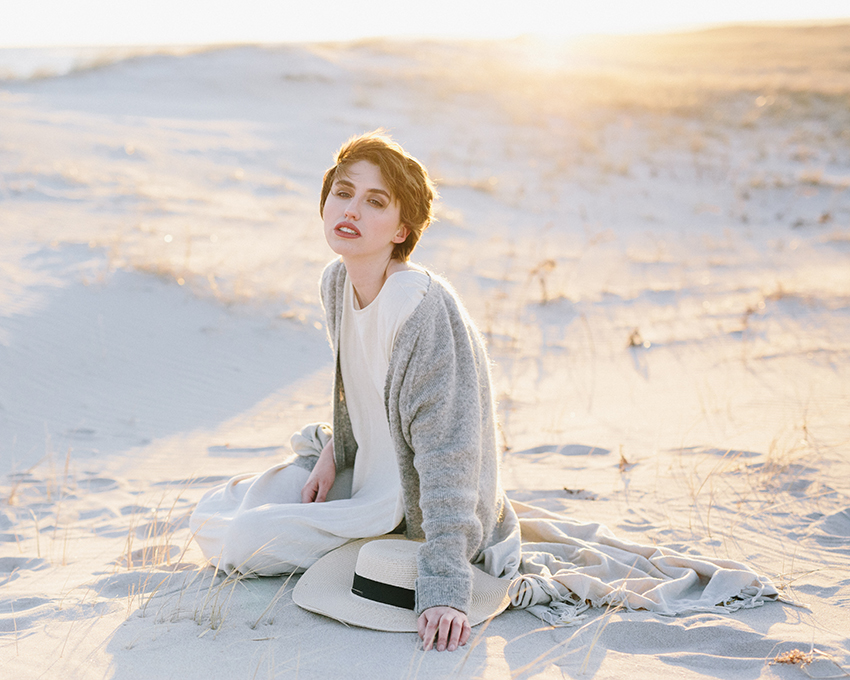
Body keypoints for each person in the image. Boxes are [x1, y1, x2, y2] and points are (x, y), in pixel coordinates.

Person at [190, 131, 521, 653]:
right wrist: (331, 450)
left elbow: (448, 451)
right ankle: (336, 526)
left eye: (375, 202)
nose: (352, 210)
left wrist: (445, 586)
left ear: (402, 229)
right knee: (213, 508)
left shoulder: (419, 308)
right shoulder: (337, 282)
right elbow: (361, 394)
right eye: (343, 193)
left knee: (239, 542)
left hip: (403, 499)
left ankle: (378, 542)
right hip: (360, 468)